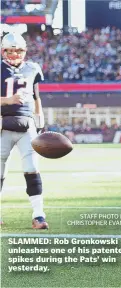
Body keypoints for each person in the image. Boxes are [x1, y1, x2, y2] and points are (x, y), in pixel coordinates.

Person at [1, 33, 47, 229]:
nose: (13, 54)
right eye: (9, 51)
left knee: (32, 168)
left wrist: (40, 119)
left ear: (24, 51)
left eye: (18, 50)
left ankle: (38, 215)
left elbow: (36, 97)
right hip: (2, 124)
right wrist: (8, 101)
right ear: (3, 51)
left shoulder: (32, 68)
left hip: (27, 125)